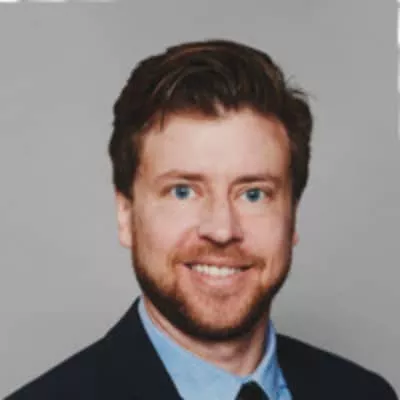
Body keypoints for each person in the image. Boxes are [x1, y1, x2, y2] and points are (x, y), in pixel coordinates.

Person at [5, 39, 398, 400]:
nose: (222, 230)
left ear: (292, 216)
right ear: (126, 214)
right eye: (183, 191)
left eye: (253, 193)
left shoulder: (366, 394)